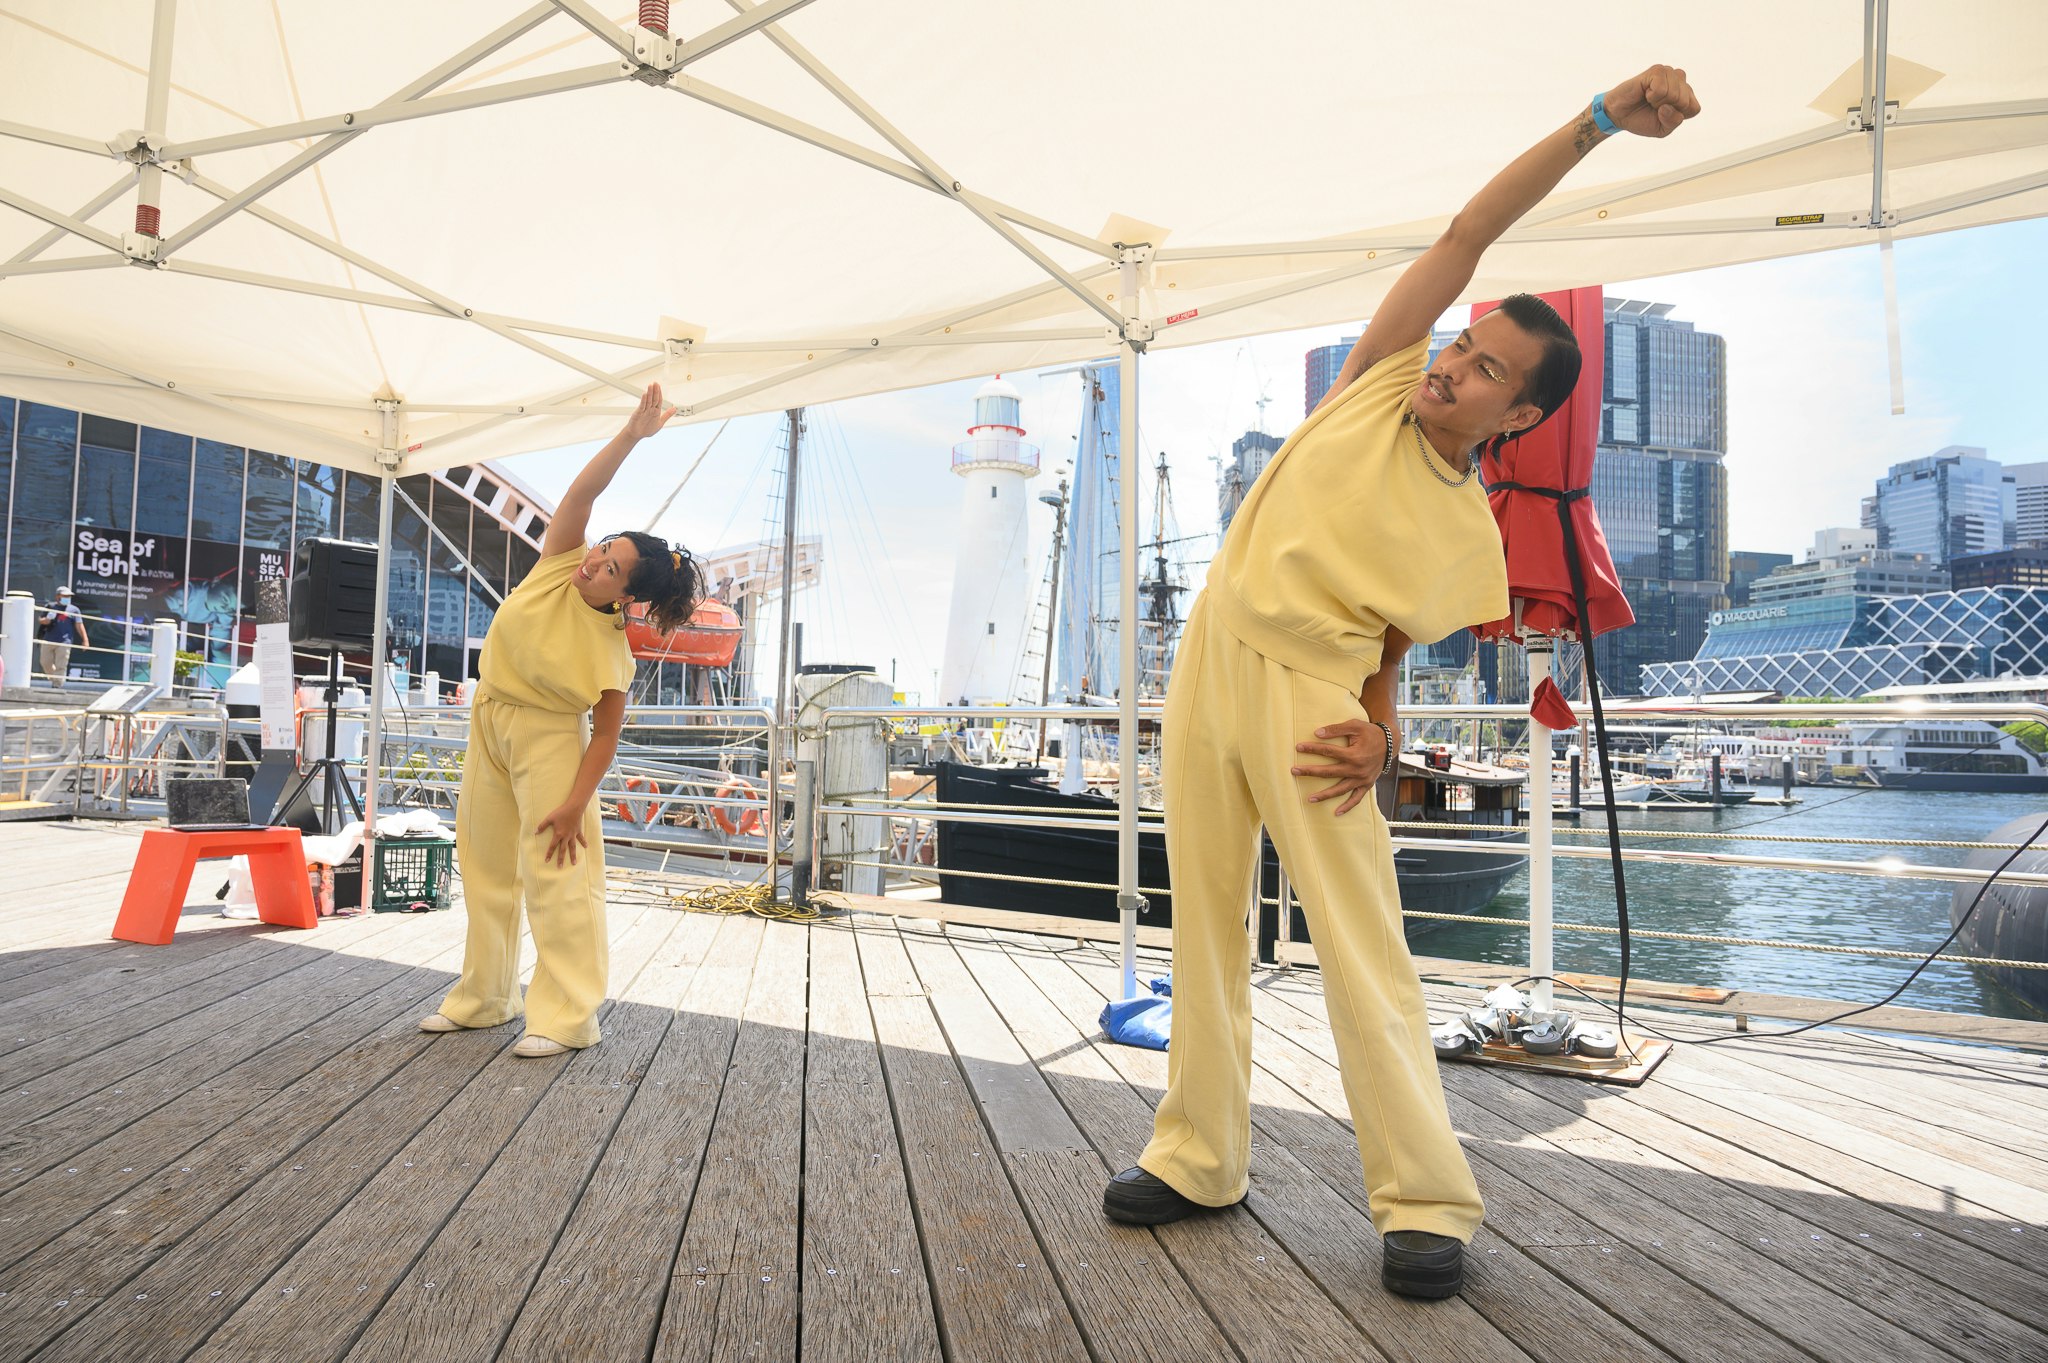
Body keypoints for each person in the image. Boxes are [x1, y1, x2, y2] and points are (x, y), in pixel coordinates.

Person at [1099, 67, 1701, 1299]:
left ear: (1517, 415)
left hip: (1312, 700)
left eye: (1483, 371)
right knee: (1202, 926)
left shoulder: (1468, 534)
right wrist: (1593, 124)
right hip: (1206, 663)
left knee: (1362, 946)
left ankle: (1425, 1200)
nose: (1451, 367)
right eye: (1460, 346)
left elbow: (1387, 644)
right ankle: (1198, 1154)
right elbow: (1468, 232)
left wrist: (1382, 736)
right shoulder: (1374, 380)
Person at [418, 384, 702, 1058]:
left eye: (612, 569)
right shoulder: (560, 563)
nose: (597, 562)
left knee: (557, 875)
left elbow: (605, 736)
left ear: (628, 596)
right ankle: (484, 999)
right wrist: (633, 434)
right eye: (605, 549)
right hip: (489, 718)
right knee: (484, 864)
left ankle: (567, 1016)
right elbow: (581, 495)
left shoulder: (610, 648)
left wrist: (576, 804)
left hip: (549, 734)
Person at [37, 586, 88, 688]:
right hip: (48, 639)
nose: (67, 598)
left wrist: (85, 640)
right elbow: (41, 620)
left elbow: (79, 625)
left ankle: (57, 686)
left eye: (68, 596)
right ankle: (54, 679)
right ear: (58, 596)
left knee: (61, 665)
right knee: (45, 662)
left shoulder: (74, 610)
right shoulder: (50, 606)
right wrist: (47, 620)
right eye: (65, 596)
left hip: (65, 641)